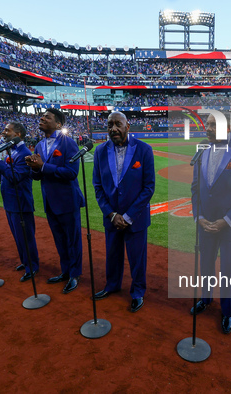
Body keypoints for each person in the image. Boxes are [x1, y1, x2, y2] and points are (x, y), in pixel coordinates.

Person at [189, 113, 231, 334]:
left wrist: (226, 220)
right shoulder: (202, 151)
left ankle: (227, 311)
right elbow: (195, 189)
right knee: (206, 265)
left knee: (229, 271)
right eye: (207, 124)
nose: (207, 128)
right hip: (205, 224)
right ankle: (206, 299)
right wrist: (199, 217)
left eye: (212, 125)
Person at [92, 111, 155, 313]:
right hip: (111, 217)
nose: (113, 129)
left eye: (118, 124)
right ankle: (112, 285)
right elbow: (98, 186)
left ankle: (137, 292)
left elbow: (148, 188)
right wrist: (111, 214)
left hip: (135, 218)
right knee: (112, 255)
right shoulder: (100, 151)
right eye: (110, 125)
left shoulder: (144, 150)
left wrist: (127, 216)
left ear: (128, 126)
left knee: (137, 258)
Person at [25, 109, 85, 294]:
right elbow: (36, 176)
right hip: (50, 202)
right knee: (59, 240)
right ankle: (65, 271)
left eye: (47, 117)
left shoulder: (69, 143)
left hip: (68, 201)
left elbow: (72, 173)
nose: (42, 118)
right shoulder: (40, 145)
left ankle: (75, 275)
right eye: (41, 116)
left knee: (72, 240)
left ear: (58, 124)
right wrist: (34, 168)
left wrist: (43, 166)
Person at [0, 122, 40, 282]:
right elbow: (0, 177)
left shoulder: (24, 153)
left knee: (26, 237)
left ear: (19, 134)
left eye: (7, 130)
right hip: (10, 202)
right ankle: (25, 262)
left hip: (21, 203)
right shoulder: (11, 151)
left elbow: (15, 178)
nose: (4, 132)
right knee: (17, 236)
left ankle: (32, 267)